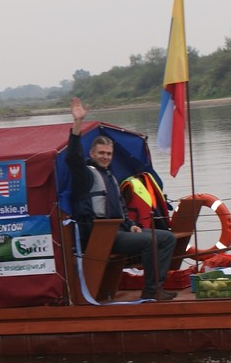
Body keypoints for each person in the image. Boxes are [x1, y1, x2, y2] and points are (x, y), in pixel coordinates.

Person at [67, 97, 177, 300]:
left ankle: (156, 286)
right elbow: (72, 157)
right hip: (99, 234)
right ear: (92, 153)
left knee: (167, 237)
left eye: (108, 153)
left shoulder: (111, 177)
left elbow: (121, 209)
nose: (105, 157)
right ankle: (152, 291)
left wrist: (131, 225)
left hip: (119, 231)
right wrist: (78, 123)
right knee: (150, 242)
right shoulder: (86, 175)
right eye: (101, 153)